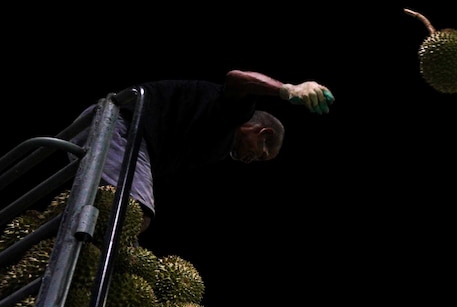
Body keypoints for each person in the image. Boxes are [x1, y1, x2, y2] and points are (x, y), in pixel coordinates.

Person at [70, 69, 335, 232]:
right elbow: (237, 78)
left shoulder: (214, 147)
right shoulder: (234, 114)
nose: (250, 161)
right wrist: (288, 90)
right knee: (135, 214)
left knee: (109, 211)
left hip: (107, 131)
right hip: (117, 125)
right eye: (259, 155)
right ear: (261, 132)